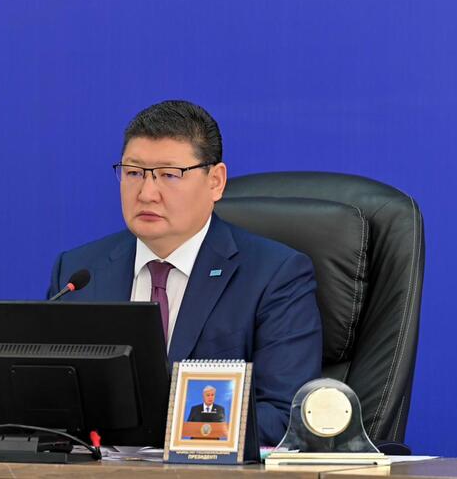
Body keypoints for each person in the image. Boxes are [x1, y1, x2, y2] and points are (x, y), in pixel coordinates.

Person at [46, 100, 322, 446]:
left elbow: (285, 414)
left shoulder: (275, 275)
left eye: (169, 175)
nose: (147, 193)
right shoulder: (79, 273)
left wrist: (168, 426)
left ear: (215, 182)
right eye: (133, 173)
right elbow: (51, 399)